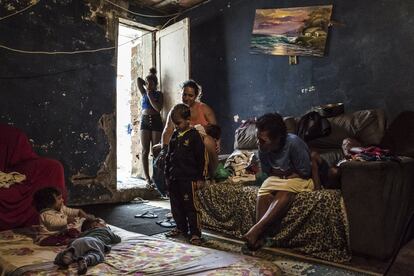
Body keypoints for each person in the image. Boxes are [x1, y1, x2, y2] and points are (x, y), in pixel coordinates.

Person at [243, 113, 314, 251]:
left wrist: (283, 176)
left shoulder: (294, 143)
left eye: (263, 140)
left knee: (286, 189)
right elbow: (268, 173)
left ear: (277, 138)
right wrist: (284, 174)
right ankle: (259, 237)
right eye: (258, 139)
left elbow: (305, 172)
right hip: (280, 179)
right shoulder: (262, 149)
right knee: (264, 189)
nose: (259, 143)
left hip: (301, 179)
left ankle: (256, 230)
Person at [164, 104, 207, 245]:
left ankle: (195, 233)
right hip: (174, 178)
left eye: (178, 123)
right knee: (176, 206)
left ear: (188, 120)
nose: (176, 126)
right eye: (174, 124)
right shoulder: (175, 136)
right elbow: (168, 156)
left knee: (190, 206)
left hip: (189, 179)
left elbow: (201, 158)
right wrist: (167, 175)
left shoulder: (194, 136)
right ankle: (180, 228)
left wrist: (201, 178)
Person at [54, 218, 121, 275]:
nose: (106, 225)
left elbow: (78, 237)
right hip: (95, 241)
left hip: (80, 240)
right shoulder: (105, 230)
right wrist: (108, 229)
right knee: (97, 254)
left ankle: (68, 255)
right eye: (104, 223)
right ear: (97, 224)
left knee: (75, 250)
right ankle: (86, 259)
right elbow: (117, 239)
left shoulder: (86, 232)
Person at [137, 67, 163, 188]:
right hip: (145, 121)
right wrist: (149, 78)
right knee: (144, 150)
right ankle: (147, 178)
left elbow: (158, 108)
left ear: (156, 85)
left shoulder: (159, 94)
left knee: (155, 151)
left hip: (156, 121)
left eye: (152, 84)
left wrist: (150, 93)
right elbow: (138, 80)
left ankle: (156, 177)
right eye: (147, 84)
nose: (148, 85)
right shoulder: (143, 92)